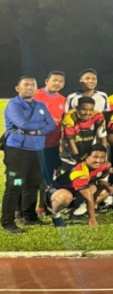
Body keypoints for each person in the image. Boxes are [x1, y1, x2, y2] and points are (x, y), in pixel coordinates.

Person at [2, 76, 57, 233]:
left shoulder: (40, 105)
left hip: (37, 150)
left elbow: (51, 125)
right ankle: (8, 222)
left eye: (33, 85)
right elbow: (22, 124)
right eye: (26, 85)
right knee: (15, 185)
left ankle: (30, 217)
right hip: (18, 151)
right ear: (17, 88)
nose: (30, 87)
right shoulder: (13, 104)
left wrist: (37, 130)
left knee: (33, 184)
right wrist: (40, 126)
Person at [46, 144, 112, 228]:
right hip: (56, 193)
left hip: (77, 192)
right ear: (87, 157)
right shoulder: (80, 171)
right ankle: (56, 216)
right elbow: (88, 196)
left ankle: (77, 212)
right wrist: (92, 219)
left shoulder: (105, 166)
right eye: (95, 157)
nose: (98, 160)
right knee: (66, 197)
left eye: (102, 157)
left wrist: (108, 187)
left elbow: (99, 180)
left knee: (104, 192)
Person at [33, 71, 66, 191]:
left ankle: (49, 201)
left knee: (52, 173)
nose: (57, 83)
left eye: (60, 81)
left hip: (54, 144)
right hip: (37, 144)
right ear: (47, 81)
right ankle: (40, 205)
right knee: (39, 175)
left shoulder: (63, 100)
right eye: (54, 80)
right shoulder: (36, 95)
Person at [61, 97, 108, 164]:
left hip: (88, 152)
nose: (88, 113)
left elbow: (102, 137)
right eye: (84, 109)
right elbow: (70, 140)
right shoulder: (69, 117)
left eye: (91, 110)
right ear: (77, 108)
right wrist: (77, 158)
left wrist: (103, 157)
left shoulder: (98, 116)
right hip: (70, 153)